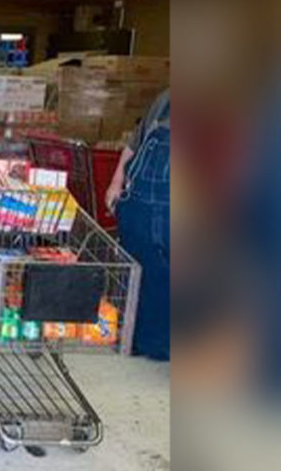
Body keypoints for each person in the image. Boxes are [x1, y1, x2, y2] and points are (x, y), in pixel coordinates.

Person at [105, 89, 170, 361]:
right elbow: (136, 141)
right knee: (141, 274)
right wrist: (116, 181)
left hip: (159, 206)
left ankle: (154, 343)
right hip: (142, 206)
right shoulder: (166, 97)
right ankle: (143, 340)